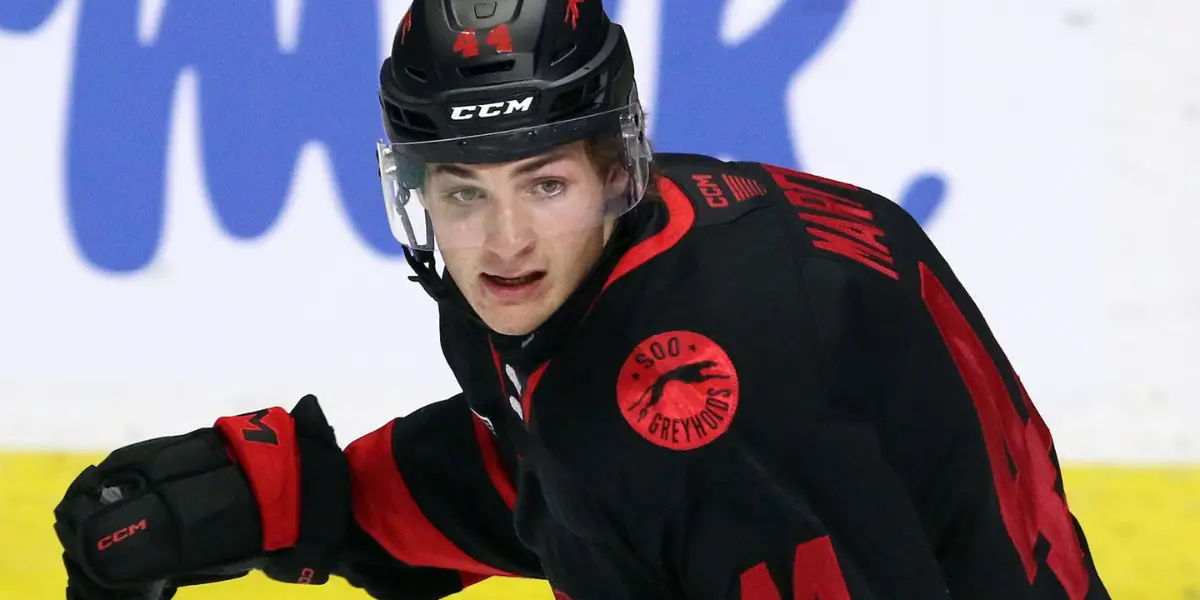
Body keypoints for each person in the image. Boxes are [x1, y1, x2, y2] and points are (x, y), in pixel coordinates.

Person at [53, 1, 1112, 598]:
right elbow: (570, 470)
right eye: (462, 190)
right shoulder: (611, 267)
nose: (504, 239)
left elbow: (642, 468)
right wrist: (314, 498)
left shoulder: (732, 405)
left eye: (543, 183)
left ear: (613, 169)